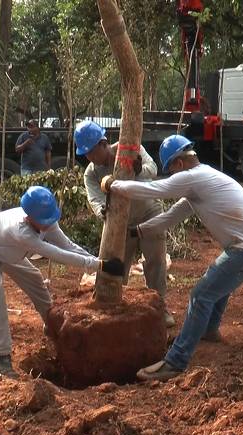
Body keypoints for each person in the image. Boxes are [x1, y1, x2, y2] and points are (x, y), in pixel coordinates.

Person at [101, 135, 243, 382]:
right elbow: (170, 217)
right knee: (218, 283)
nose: (172, 175)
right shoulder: (201, 182)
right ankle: (208, 330)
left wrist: (113, 185)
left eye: (171, 169)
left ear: (179, 164)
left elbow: (154, 189)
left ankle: (176, 361)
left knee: (201, 294)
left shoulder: (194, 178)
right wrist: (137, 231)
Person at [0, 186, 124, 378]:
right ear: (29, 216)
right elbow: (57, 254)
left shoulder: (46, 220)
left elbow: (66, 245)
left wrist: (98, 262)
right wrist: (100, 266)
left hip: (9, 251)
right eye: (43, 221)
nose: (48, 225)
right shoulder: (20, 231)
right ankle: (1, 357)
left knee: (35, 278)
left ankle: (53, 326)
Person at [74, 120, 175, 328]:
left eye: (92, 152)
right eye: (86, 154)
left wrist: (139, 169)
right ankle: (113, 306)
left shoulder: (129, 148)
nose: (90, 158)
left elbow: (152, 169)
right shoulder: (91, 173)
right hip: (120, 221)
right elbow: (94, 199)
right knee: (116, 265)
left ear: (103, 144)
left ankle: (160, 308)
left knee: (156, 261)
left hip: (149, 211)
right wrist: (103, 210)